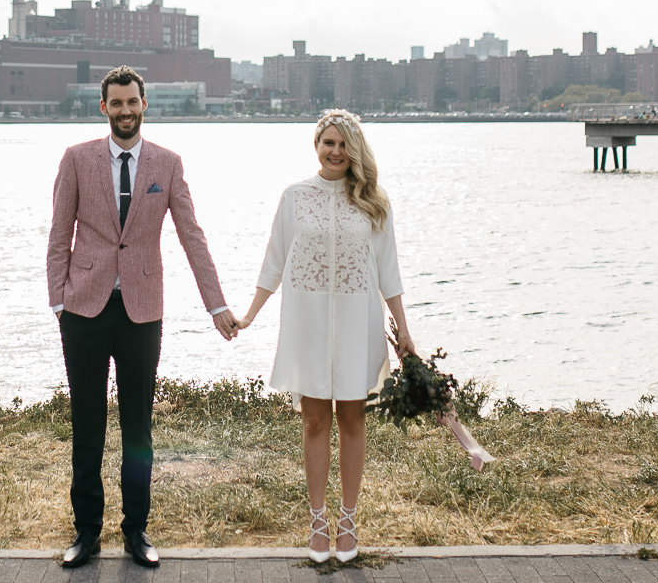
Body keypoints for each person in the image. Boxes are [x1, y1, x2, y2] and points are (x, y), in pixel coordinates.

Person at [45, 65, 238, 569]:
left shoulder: (167, 165)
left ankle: (136, 531)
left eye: (133, 102)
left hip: (141, 312)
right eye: (117, 103)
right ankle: (86, 533)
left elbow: (192, 236)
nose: (125, 111)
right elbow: (58, 235)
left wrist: (216, 305)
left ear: (144, 105)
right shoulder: (76, 159)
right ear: (103, 107)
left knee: (138, 428)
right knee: (87, 425)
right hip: (84, 310)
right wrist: (59, 303)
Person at [236, 109, 412, 564]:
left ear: (355, 150)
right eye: (328, 143)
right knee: (314, 421)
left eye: (343, 145)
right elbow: (273, 261)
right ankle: (318, 523)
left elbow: (389, 272)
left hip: (359, 322)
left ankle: (348, 521)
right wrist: (250, 315)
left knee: (353, 421)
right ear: (316, 146)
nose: (335, 152)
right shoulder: (295, 197)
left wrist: (405, 331)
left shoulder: (375, 202)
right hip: (308, 322)